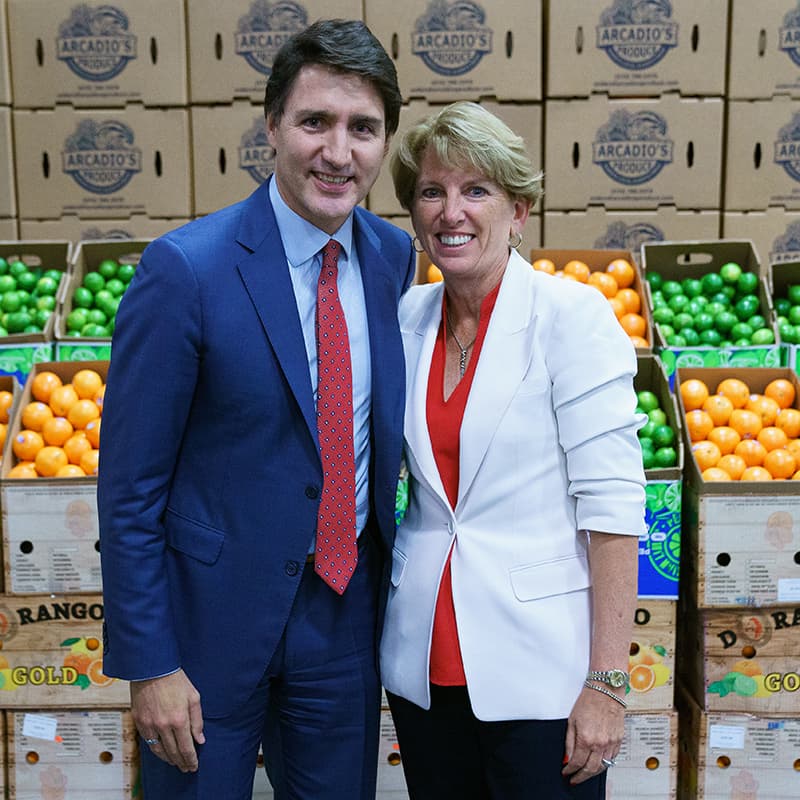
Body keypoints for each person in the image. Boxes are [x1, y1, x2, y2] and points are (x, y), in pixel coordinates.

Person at [97, 18, 415, 800]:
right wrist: (150, 661)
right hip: (208, 631)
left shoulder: (394, 260)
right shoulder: (186, 270)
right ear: (271, 125)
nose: (339, 153)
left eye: (363, 129)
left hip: (343, 619)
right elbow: (129, 487)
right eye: (316, 122)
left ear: (385, 144)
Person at [379, 101, 646, 799]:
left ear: (519, 210)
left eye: (476, 190)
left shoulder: (572, 318)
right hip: (423, 665)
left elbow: (613, 510)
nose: (450, 212)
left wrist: (607, 684)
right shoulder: (405, 320)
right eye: (432, 192)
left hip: (542, 672)